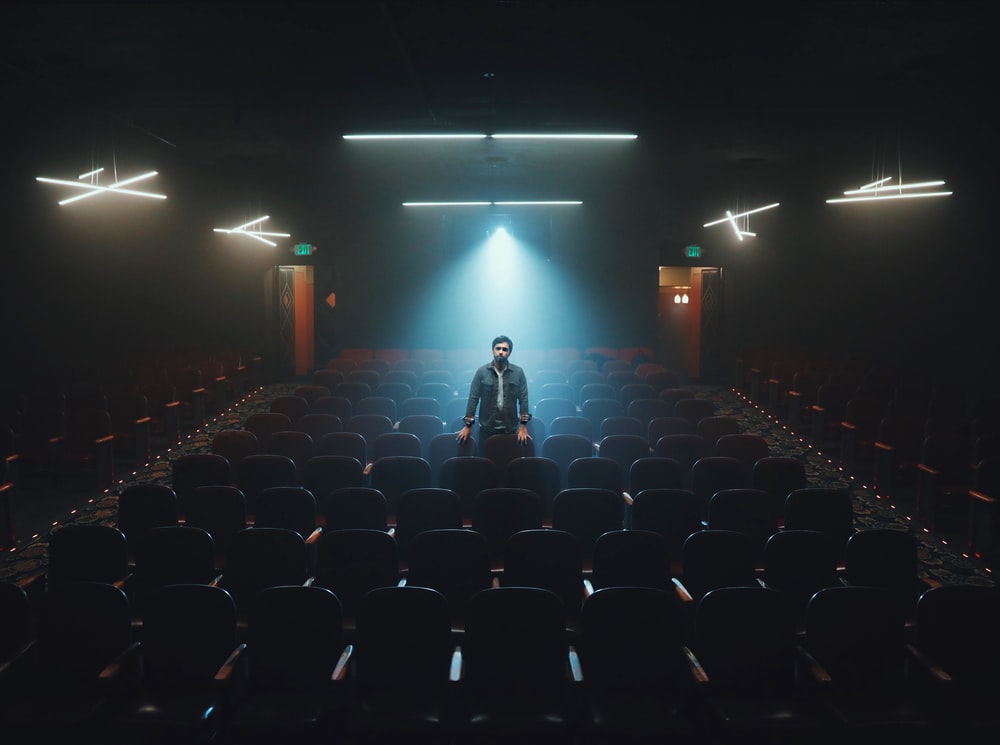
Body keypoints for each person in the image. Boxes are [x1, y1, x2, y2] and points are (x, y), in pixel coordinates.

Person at [457, 335, 532, 447]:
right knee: (485, 461)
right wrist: (468, 426)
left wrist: (523, 426)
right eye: (498, 348)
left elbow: (523, 399)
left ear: (509, 353)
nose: (501, 352)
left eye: (505, 349)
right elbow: (473, 398)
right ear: (493, 350)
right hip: (486, 428)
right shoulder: (481, 372)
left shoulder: (518, 372)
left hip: (510, 428)